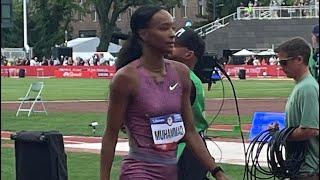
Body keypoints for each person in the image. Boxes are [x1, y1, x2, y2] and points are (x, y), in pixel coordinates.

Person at [100, 5, 229, 180]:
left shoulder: (181, 73)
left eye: (173, 28)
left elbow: (190, 132)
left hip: (170, 171)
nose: (172, 34)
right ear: (143, 34)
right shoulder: (126, 78)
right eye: (163, 28)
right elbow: (111, 134)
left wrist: (217, 171)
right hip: (139, 172)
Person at [168, 27, 211, 179]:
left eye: (174, 45)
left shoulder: (182, 79)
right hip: (191, 148)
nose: (168, 46)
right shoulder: (190, 78)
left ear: (188, 54)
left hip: (184, 151)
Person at [274, 37, 319, 180]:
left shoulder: (307, 87)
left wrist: (279, 136)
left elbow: (310, 130)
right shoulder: (302, 85)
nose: (281, 67)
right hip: (300, 168)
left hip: (307, 170)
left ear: (299, 59)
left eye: (284, 62)